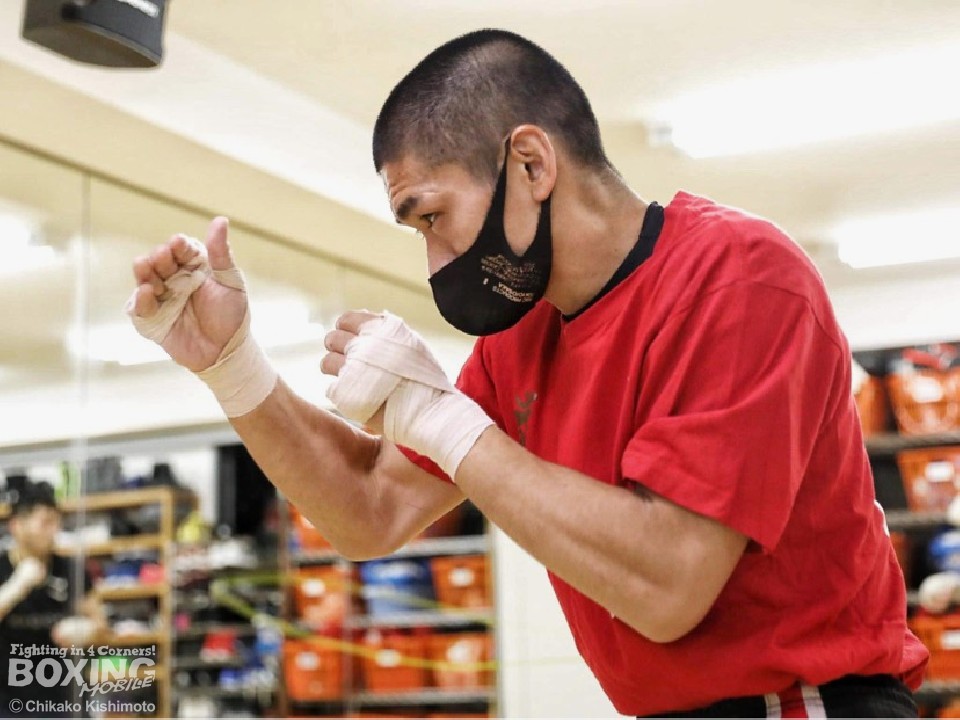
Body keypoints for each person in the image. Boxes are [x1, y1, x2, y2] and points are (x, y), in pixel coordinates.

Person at [127, 29, 928, 718]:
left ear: (532, 164)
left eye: (434, 216)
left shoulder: (739, 277)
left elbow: (670, 586)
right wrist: (233, 369)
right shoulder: (523, 336)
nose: (435, 261)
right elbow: (370, 509)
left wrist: (444, 421)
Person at [0, 481, 107, 717]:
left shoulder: (71, 569)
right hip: (9, 702)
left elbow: (101, 627)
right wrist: (16, 586)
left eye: (57, 522)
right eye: (45, 523)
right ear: (17, 526)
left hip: (64, 700)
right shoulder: (2, 568)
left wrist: (86, 630)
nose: (53, 531)